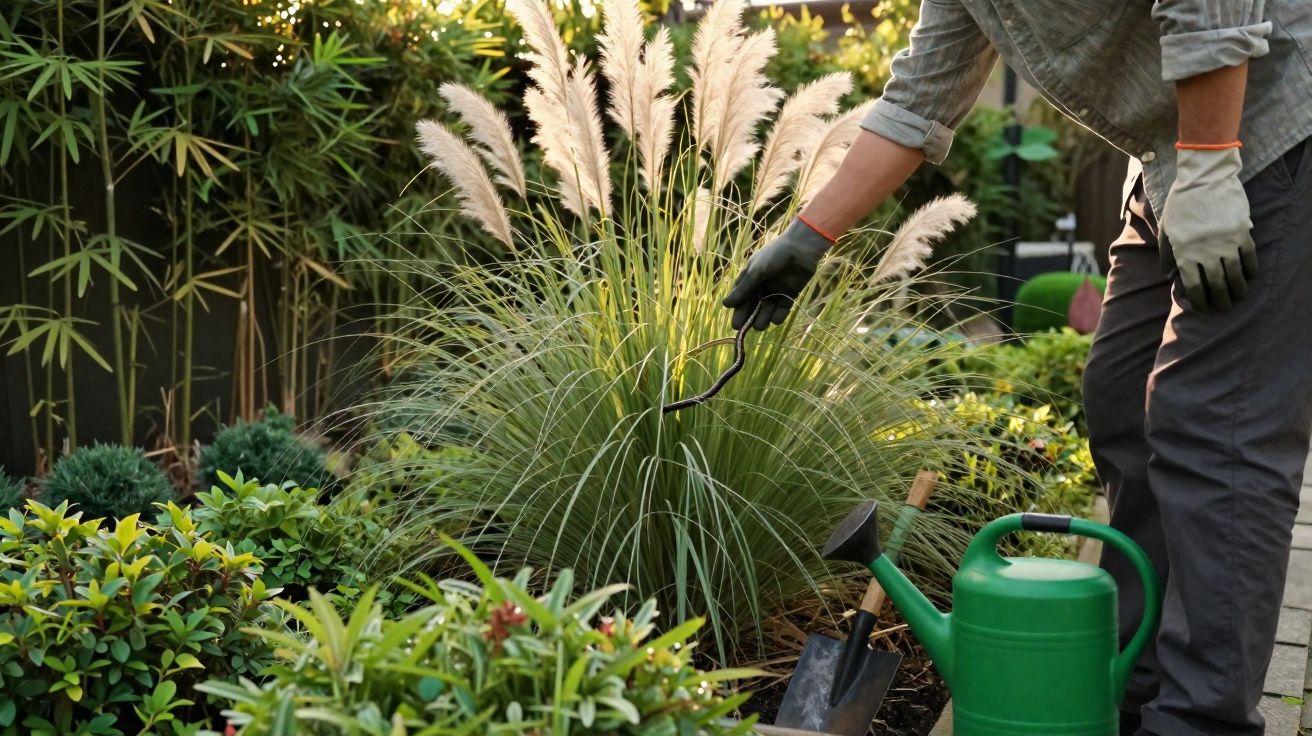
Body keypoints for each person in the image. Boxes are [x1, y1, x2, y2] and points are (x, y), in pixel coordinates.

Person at [722, 1, 1312, 734]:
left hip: (1271, 134)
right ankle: (1137, 683)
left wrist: (1212, 163)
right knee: (1122, 398)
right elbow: (918, 98)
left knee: (1215, 425)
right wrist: (809, 237)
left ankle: (1200, 719)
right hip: (1171, 165)